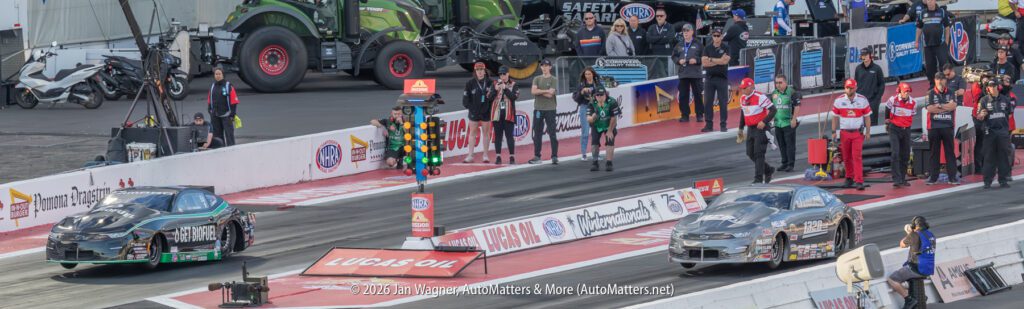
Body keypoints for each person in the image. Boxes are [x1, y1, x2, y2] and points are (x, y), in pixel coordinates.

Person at [886, 216, 936, 309]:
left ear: (914, 225)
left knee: (892, 279)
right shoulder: (931, 235)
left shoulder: (914, 235)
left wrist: (909, 233)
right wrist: (911, 233)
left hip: (916, 268)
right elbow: (919, 243)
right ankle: (918, 295)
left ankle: (909, 299)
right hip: (929, 268)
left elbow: (902, 244)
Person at [832, 79, 872, 190]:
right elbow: (834, 117)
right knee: (846, 157)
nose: (849, 90)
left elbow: (867, 116)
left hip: (857, 133)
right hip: (844, 133)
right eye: (847, 88)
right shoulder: (838, 100)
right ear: (845, 88)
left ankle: (859, 181)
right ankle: (849, 178)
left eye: (851, 88)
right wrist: (833, 131)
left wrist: (868, 132)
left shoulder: (862, 100)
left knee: (857, 157)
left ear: (856, 88)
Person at [737, 78, 777, 184]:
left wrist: (764, 121)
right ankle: (768, 170)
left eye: (744, 88)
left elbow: (773, 110)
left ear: (751, 87)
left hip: (761, 128)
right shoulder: (742, 98)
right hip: (751, 128)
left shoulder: (760, 97)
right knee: (750, 153)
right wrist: (740, 129)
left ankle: (758, 179)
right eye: (742, 88)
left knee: (759, 153)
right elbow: (743, 114)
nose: (742, 90)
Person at [976, 80, 1015, 188]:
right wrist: (981, 115)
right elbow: (978, 116)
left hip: (1002, 132)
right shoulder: (983, 100)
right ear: (987, 88)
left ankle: (1003, 180)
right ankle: (987, 181)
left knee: (1004, 156)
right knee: (989, 157)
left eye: (993, 86)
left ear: (998, 87)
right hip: (990, 132)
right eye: (990, 86)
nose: (991, 88)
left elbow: (1010, 114)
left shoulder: (1005, 99)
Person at [925, 72, 960, 185]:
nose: (940, 81)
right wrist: (945, 107)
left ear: (946, 80)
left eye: (942, 79)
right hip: (933, 127)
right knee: (934, 153)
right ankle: (933, 177)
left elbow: (953, 106)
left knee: (950, 152)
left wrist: (939, 106)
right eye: (938, 79)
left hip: (947, 126)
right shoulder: (929, 93)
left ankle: (952, 177)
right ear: (935, 80)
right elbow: (930, 109)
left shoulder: (951, 92)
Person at [885, 83, 917, 187]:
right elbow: (887, 108)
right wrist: (887, 121)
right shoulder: (892, 100)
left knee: (906, 154)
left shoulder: (913, 102)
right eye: (904, 91)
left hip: (906, 129)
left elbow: (912, 115)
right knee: (895, 153)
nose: (906, 93)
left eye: (908, 91)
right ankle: (896, 179)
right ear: (899, 91)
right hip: (894, 128)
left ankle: (903, 178)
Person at [915, 0, 951, 88]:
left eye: (931, 0)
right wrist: (916, 41)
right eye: (928, 0)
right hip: (927, 45)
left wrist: (946, 41)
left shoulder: (942, 12)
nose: (930, 2)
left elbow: (947, 27)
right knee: (930, 67)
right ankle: (932, 84)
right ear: (926, 2)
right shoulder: (922, 13)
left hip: (940, 44)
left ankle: (945, 82)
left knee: (944, 64)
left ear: (934, 1)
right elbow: (919, 28)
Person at [462, 61, 494, 163]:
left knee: (486, 133)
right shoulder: (470, 83)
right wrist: (472, 109)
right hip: (474, 112)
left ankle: (485, 155)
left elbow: (494, 98)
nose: (480, 72)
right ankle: (470, 155)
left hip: (486, 112)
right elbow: (465, 100)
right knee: (472, 133)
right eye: (478, 70)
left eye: (481, 70)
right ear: (475, 71)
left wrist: (488, 107)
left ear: (485, 71)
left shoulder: (490, 82)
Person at [672, 23, 703, 123]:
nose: (685, 33)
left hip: (695, 73)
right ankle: (685, 115)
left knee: (697, 94)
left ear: (692, 32)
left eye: (687, 31)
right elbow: (674, 56)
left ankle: (699, 115)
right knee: (683, 95)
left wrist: (697, 60)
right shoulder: (679, 44)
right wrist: (678, 61)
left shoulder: (698, 44)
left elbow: (705, 57)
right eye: (684, 31)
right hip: (683, 73)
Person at [702, 27, 731, 132]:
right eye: (714, 35)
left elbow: (725, 61)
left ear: (722, 36)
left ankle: (723, 124)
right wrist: (718, 60)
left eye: (718, 35)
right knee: (708, 102)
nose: (716, 37)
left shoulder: (726, 47)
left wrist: (711, 59)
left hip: (722, 78)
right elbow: (704, 63)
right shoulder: (707, 48)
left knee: (723, 102)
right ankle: (708, 125)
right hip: (709, 78)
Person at [530, 59, 558, 165]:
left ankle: (554, 156)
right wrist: (546, 90)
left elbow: (551, 95)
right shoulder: (536, 78)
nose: (545, 67)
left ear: (550, 67)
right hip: (538, 109)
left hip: (550, 109)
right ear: (541, 67)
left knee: (552, 133)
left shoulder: (553, 79)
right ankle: (537, 156)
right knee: (537, 133)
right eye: (543, 66)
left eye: (547, 65)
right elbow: (533, 92)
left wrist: (539, 92)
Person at [573, 67, 604, 161]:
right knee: (585, 132)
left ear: (593, 74)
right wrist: (581, 92)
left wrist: (595, 94)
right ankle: (583, 153)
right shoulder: (581, 85)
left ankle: (596, 153)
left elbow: (604, 94)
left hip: (596, 108)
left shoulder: (598, 84)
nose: (587, 76)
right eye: (586, 74)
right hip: (584, 108)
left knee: (597, 132)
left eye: (589, 74)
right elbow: (575, 98)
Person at [490, 66, 520, 165]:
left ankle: (512, 157)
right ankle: (498, 157)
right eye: (500, 74)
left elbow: (514, 97)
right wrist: (495, 90)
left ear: (508, 74)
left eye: (504, 74)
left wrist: (505, 89)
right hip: (497, 114)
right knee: (498, 136)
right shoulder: (494, 83)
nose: (502, 76)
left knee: (509, 136)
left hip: (509, 114)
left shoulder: (513, 84)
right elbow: (489, 98)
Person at [771, 75, 801, 172]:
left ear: (785, 82)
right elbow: (771, 108)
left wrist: (794, 119)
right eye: (776, 83)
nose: (778, 85)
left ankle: (790, 164)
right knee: (781, 144)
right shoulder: (774, 94)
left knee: (790, 144)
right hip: (778, 124)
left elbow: (797, 106)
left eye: (780, 82)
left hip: (788, 123)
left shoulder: (792, 92)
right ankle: (784, 162)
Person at [587, 88, 621, 172]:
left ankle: (609, 162)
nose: (599, 97)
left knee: (610, 140)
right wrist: (593, 117)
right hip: (596, 125)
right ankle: (595, 162)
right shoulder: (592, 103)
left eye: (601, 95)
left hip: (609, 124)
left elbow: (614, 118)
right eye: (597, 95)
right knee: (594, 142)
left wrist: (609, 131)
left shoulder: (612, 102)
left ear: (605, 95)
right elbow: (589, 119)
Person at [207, 67, 239, 147]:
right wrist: (210, 109)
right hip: (215, 115)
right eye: (216, 74)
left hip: (226, 115)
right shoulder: (212, 86)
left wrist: (232, 114)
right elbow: (209, 99)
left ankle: (231, 149)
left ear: (223, 75)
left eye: (219, 74)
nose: (217, 76)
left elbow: (234, 101)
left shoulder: (228, 86)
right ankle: (220, 148)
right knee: (217, 135)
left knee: (229, 134)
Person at [854, 47, 886, 124]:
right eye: (862, 55)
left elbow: (882, 84)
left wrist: (877, 98)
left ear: (871, 55)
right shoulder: (858, 69)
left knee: (872, 123)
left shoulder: (877, 68)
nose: (864, 57)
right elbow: (855, 84)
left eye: (866, 55)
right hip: (860, 101)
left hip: (873, 100)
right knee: (860, 123)